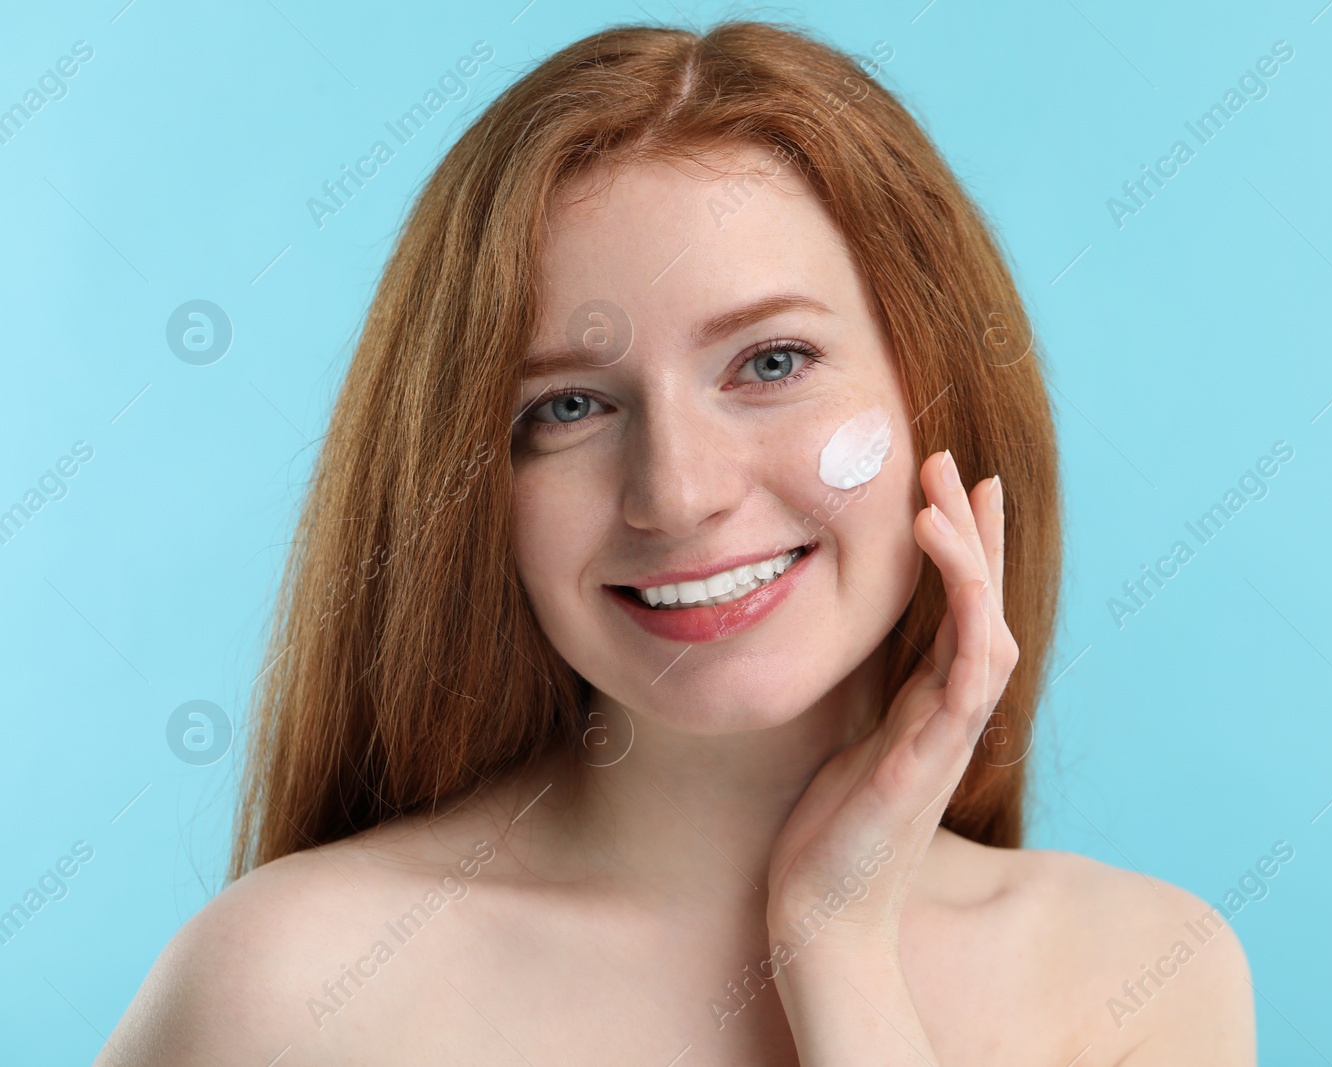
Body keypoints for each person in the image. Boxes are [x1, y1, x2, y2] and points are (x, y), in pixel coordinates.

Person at [100, 20, 1253, 1065]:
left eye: (771, 363)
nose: (678, 492)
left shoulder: (1138, 974)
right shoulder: (282, 989)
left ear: (933, 397)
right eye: (565, 406)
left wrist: (837, 944)